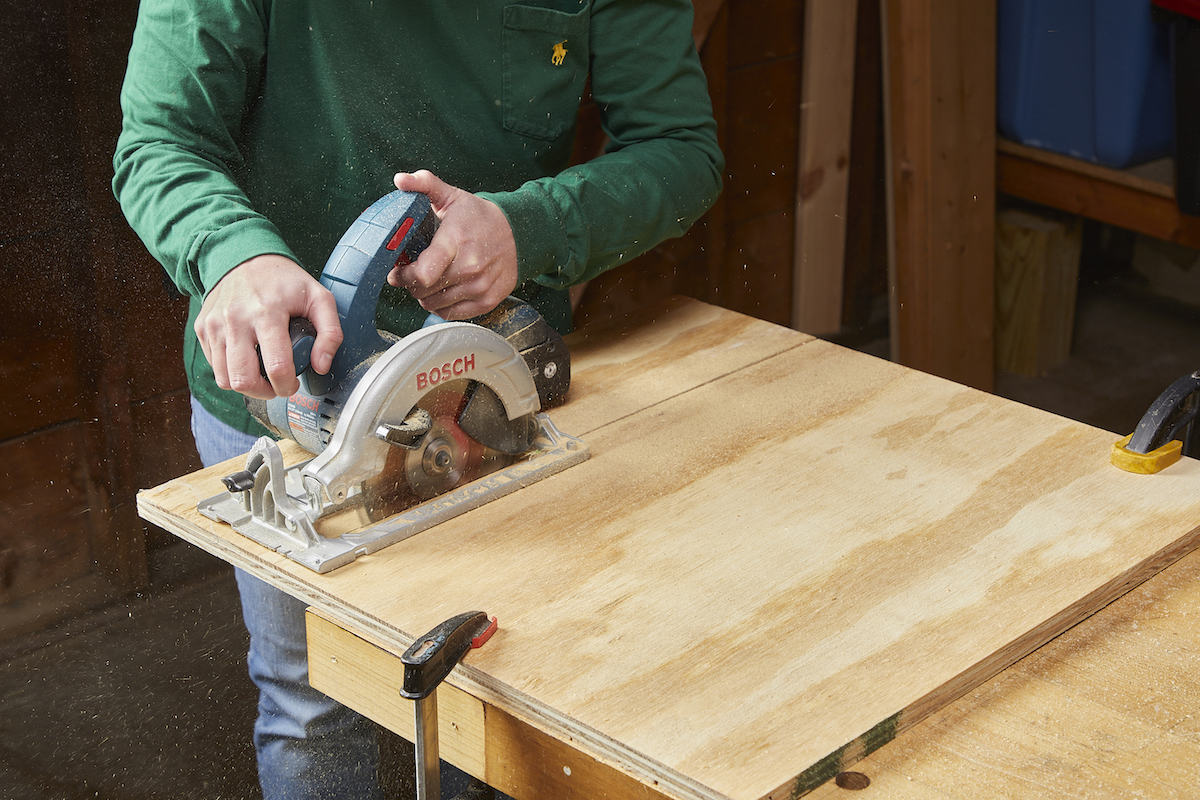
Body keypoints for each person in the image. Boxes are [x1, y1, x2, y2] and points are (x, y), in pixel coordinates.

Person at [113, 2, 722, 798]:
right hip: (283, 385)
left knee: (497, 696)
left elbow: (682, 151)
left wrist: (526, 227)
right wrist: (231, 255)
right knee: (313, 705)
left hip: (485, 401)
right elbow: (159, 140)